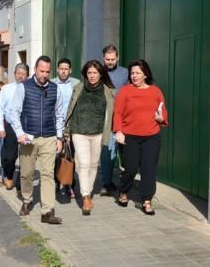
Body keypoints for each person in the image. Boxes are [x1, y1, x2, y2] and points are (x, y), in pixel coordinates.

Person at [9, 56, 65, 224]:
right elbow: (13, 112)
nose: (44, 75)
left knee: (48, 174)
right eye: (42, 71)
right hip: (29, 137)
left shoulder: (55, 89)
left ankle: (47, 211)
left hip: (49, 137)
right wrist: (19, 133)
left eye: (48, 72)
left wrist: (60, 137)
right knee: (26, 173)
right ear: (35, 69)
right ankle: (27, 200)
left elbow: (60, 114)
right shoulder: (23, 87)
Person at [113, 59, 168, 216]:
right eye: (132, 73)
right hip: (130, 136)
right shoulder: (125, 91)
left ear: (145, 74)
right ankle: (124, 191)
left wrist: (161, 118)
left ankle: (146, 200)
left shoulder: (155, 91)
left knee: (149, 169)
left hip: (151, 136)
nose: (134, 76)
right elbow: (118, 113)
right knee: (130, 168)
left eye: (137, 73)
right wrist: (118, 131)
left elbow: (163, 111)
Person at [64, 61, 115, 216]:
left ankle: (89, 191)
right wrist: (67, 132)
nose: (92, 76)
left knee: (93, 165)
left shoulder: (108, 91)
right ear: (85, 74)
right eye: (89, 73)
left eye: (95, 72)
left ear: (100, 74)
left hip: (98, 133)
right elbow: (70, 109)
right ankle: (86, 196)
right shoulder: (78, 88)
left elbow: (111, 114)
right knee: (84, 164)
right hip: (79, 132)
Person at [100, 45, 129, 196]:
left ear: (117, 58)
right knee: (108, 153)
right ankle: (106, 183)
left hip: (124, 119)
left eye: (113, 59)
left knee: (126, 154)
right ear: (103, 58)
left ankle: (126, 183)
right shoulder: (98, 72)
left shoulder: (126, 73)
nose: (110, 62)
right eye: (107, 59)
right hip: (106, 119)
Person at [0, 63, 29, 190]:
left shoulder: (29, 88)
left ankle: (21, 182)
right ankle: (8, 175)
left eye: (23, 74)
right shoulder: (6, 89)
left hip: (26, 126)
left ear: (27, 75)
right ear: (14, 74)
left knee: (26, 157)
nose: (20, 76)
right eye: (18, 73)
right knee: (9, 156)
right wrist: (0, 127)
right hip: (10, 126)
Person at [51, 57, 80, 200]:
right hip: (55, 125)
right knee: (56, 156)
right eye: (61, 69)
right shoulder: (51, 83)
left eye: (66, 69)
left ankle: (69, 186)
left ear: (70, 70)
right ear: (57, 70)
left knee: (69, 157)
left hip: (70, 126)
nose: (63, 71)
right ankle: (56, 182)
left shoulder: (76, 84)